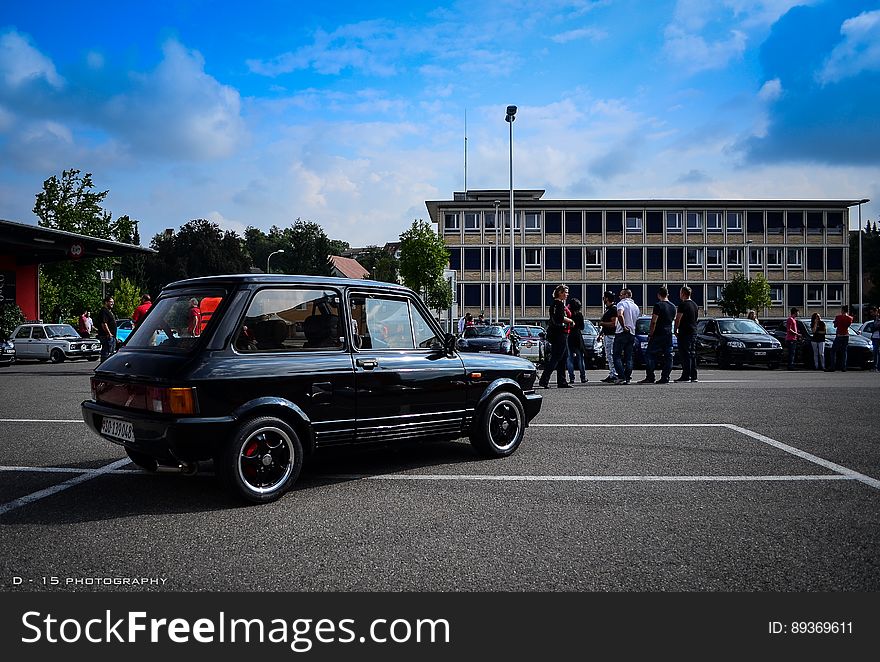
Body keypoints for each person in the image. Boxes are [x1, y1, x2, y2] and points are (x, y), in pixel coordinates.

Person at [538, 284, 574, 389]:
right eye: (565, 292)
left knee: (563, 357)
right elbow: (560, 318)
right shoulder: (558, 304)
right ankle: (544, 380)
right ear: (560, 293)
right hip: (560, 333)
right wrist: (571, 321)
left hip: (561, 333)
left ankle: (562, 381)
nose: (567, 294)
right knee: (556, 357)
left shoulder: (556, 304)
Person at [640, 286, 675, 384]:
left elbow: (654, 321)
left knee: (649, 355)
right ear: (667, 294)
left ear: (658, 295)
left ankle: (650, 377)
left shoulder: (658, 305)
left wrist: (650, 334)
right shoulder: (673, 306)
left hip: (658, 334)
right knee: (668, 356)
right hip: (668, 334)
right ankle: (665, 377)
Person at [612, 288, 640, 385]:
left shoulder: (621, 303)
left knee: (617, 355)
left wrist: (624, 326)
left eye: (621, 295)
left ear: (625, 295)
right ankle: (628, 377)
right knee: (629, 357)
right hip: (632, 333)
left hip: (622, 332)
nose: (619, 297)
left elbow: (620, 314)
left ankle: (621, 376)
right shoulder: (636, 307)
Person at [674, 285, 700, 383]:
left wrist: (675, 329)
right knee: (692, 353)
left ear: (683, 293)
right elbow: (696, 318)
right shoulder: (695, 305)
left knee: (685, 354)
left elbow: (678, 318)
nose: (679, 295)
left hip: (685, 332)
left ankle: (686, 375)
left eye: (680, 293)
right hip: (693, 331)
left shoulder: (683, 304)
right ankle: (694, 375)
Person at [597, 291, 618, 383]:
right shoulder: (608, 309)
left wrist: (602, 323)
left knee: (611, 355)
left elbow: (614, 323)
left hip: (611, 336)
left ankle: (614, 374)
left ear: (607, 298)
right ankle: (612, 373)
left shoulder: (613, 309)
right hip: (607, 334)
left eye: (604, 297)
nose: (603, 299)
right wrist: (601, 334)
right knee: (608, 356)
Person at [566, 297, 588, 384]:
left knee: (570, 358)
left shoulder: (568, 314)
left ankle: (572, 378)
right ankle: (583, 377)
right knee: (580, 358)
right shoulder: (579, 315)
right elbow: (582, 327)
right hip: (577, 336)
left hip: (569, 335)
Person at [830, 304, 853, 372]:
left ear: (842, 310)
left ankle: (833, 366)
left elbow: (835, 326)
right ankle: (843, 367)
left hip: (839, 335)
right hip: (846, 335)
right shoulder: (850, 318)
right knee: (844, 351)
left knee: (833, 351)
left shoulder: (838, 317)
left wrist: (835, 322)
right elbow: (848, 325)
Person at [95, 296, 117, 362]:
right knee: (106, 353)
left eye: (113, 302)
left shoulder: (109, 311)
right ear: (106, 302)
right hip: (106, 336)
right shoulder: (104, 311)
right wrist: (109, 333)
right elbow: (104, 324)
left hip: (111, 336)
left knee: (111, 352)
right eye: (111, 302)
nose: (112, 303)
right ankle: (104, 367)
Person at [870, 307, 880, 372]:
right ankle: (875, 366)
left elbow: (877, 326)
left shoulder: (878, 318)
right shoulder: (874, 319)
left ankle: (877, 367)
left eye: (873, 312)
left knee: (877, 352)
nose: (872, 314)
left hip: (878, 337)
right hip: (875, 337)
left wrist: (874, 327)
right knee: (875, 352)